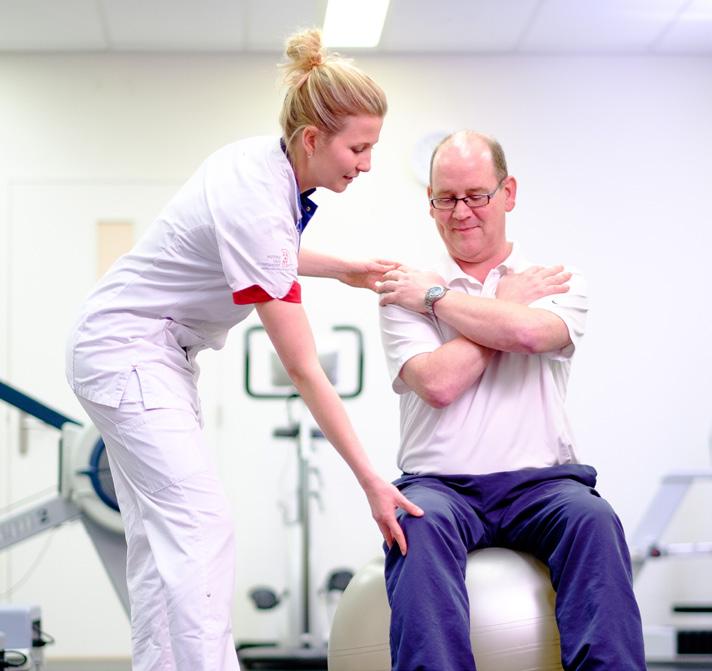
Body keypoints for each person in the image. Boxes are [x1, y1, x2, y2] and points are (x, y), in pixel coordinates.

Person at [65, 28, 422, 671]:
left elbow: (266, 250)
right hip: (129, 350)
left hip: (140, 349)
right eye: (359, 148)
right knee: (201, 527)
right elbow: (303, 366)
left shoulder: (258, 165)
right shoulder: (259, 202)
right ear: (313, 138)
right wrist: (371, 479)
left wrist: (341, 267)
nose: (366, 163)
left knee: (157, 540)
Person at [375, 130, 646, 670]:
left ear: (509, 192)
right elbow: (439, 383)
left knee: (595, 521)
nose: (461, 212)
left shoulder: (555, 281)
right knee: (416, 524)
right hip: (440, 486)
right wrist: (498, 308)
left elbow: (531, 337)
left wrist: (439, 303)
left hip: (544, 485)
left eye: (476, 195)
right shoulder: (403, 289)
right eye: (446, 198)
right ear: (430, 202)